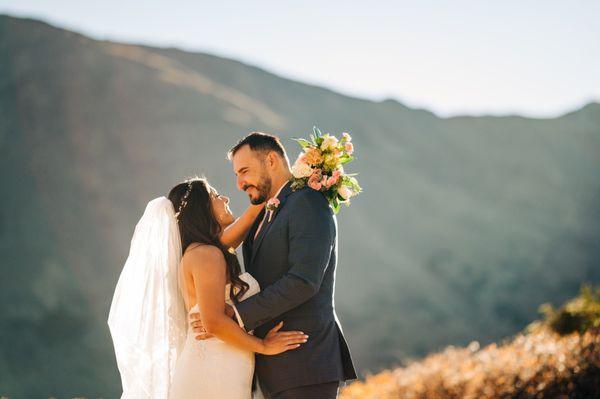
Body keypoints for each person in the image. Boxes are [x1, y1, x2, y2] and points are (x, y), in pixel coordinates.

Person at [108, 176, 308, 399]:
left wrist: (296, 175)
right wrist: (263, 346)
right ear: (200, 209)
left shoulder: (205, 251)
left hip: (223, 366)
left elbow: (251, 215)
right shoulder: (206, 255)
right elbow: (213, 322)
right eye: (214, 195)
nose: (225, 198)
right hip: (213, 371)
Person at [192, 132, 357, 399]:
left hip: (305, 361)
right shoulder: (268, 212)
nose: (240, 183)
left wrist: (234, 314)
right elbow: (217, 251)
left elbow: (304, 280)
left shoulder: (307, 202)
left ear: (271, 160)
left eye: (244, 171)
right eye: (236, 175)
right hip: (276, 368)